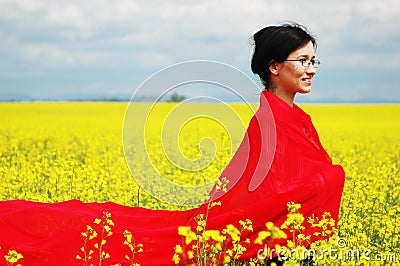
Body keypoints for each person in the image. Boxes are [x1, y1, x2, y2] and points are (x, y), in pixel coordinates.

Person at [0, 23, 345, 265]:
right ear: (274, 66)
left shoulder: (294, 119)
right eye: (302, 60)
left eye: (313, 60)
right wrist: (331, 178)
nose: (311, 69)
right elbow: (260, 196)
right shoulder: (269, 122)